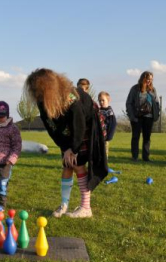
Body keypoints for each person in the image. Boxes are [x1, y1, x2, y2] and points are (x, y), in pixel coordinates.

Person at [24, 68, 107, 218]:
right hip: (70, 129)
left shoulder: (71, 99)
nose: (37, 95)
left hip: (87, 124)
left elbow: (79, 125)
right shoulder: (43, 101)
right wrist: (65, 147)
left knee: (77, 163)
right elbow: (52, 128)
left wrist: (73, 149)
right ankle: (64, 205)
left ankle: (86, 208)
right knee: (67, 164)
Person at [126, 71, 160, 162]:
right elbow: (129, 103)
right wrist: (132, 116)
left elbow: (156, 103)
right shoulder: (135, 89)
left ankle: (146, 157)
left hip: (149, 117)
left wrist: (156, 114)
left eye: (151, 79)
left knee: (147, 138)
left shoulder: (153, 89)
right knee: (135, 137)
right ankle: (135, 157)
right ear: (143, 78)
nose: (149, 81)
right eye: (148, 79)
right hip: (137, 117)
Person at [98, 91, 117, 158]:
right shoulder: (98, 110)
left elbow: (113, 124)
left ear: (108, 100)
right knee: (98, 151)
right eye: (100, 100)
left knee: (104, 152)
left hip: (105, 136)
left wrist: (109, 136)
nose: (101, 102)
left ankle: (104, 165)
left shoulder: (109, 112)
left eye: (103, 100)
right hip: (98, 135)